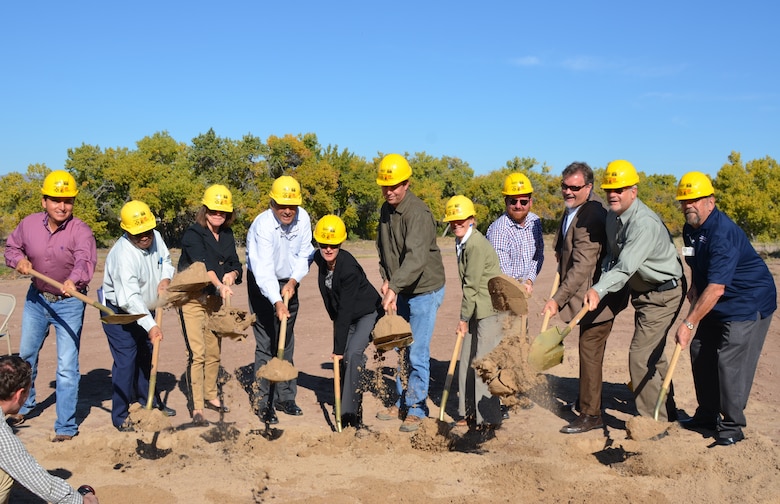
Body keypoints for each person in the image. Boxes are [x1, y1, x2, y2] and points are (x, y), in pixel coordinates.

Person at [674, 172, 776, 446]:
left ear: (710, 201)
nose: (688, 206)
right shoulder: (690, 229)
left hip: (747, 300)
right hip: (715, 298)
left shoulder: (723, 233)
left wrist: (689, 323)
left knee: (728, 360)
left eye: (694, 200)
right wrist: (695, 285)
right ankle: (707, 415)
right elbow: (695, 261)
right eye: (684, 201)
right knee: (699, 349)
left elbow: (718, 287)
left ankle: (732, 426)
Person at [584, 160, 685, 422]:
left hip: (664, 293)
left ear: (634, 191)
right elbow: (612, 259)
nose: (613, 194)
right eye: (610, 190)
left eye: (620, 189)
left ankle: (653, 423)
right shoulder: (612, 217)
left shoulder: (644, 224)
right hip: (643, 294)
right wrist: (603, 277)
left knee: (640, 357)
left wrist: (598, 289)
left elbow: (626, 267)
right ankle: (667, 412)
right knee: (655, 353)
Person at [3, 170, 97, 442]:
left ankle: (65, 426)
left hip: (69, 303)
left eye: (67, 200)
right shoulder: (29, 224)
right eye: (56, 200)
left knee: (67, 365)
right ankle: (24, 406)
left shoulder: (81, 231)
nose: (62, 206)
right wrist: (17, 261)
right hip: (37, 299)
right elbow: (11, 248)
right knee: (26, 358)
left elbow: (85, 261)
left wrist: (73, 280)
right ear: (44, 201)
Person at [542, 162, 627, 434]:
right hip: (586, 294)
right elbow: (565, 244)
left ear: (588, 188)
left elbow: (583, 266)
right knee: (587, 349)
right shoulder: (574, 208)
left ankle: (592, 415)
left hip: (598, 298)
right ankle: (584, 401)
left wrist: (557, 298)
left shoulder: (591, 214)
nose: (568, 191)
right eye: (564, 186)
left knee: (589, 351)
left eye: (575, 187)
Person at [375, 153, 446, 433]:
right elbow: (383, 248)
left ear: (406, 183)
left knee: (417, 351)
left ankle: (417, 407)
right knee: (402, 347)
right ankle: (403, 401)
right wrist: (386, 278)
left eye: (395, 186)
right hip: (402, 286)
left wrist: (394, 286)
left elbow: (416, 258)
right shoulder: (385, 209)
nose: (389, 191)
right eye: (385, 186)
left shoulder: (418, 213)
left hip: (424, 290)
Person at [101, 200, 177, 431]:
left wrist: (165, 279)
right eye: (138, 234)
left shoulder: (155, 236)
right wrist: (151, 325)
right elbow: (128, 299)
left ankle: (149, 402)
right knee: (126, 362)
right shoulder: (122, 256)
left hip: (147, 306)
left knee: (146, 356)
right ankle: (121, 415)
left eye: (147, 232)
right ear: (126, 231)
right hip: (120, 313)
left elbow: (166, 260)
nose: (145, 237)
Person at [246, 175, 314, 424]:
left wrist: (294, 281)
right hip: (263, 285)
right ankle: (263, 402)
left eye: (292, 206)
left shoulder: (303, 218)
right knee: (266, 342)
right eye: (282, 205)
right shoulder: (262, 226)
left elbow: (306, 252)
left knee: (286, 341)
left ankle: (286, 397)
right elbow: (262, 270)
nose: (287, 211)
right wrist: (276, 301)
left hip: (290, 282)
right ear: (272, 203)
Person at [178, 185, 243, 426]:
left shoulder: (227, 235)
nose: (219, 215)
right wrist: (219, 283)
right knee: (197, 354)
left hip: (214, 301)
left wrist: (233, 275)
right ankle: (196, 406)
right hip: (192, 299)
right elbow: (203, 265)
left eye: (223, 212)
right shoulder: (192, 234)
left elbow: (236, 262)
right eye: (214, 210)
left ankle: (210, 395)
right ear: (205, 210)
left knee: (214, 351)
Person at [311, 215, 381, 429]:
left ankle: (351, 414)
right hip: (346, 316)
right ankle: (347, 404)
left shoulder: (348, 269)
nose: (328, 249)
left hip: (367, 313)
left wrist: (337, 348)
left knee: (352, 354)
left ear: (340, 243)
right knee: (343, 362)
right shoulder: (318, 258)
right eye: (324, 244)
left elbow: (345, 310)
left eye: (333, 245)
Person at [0, 355, 99, 503]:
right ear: (20, 394)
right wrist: (80, 501)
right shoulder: (3, 438)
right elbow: (38, 480)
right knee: (7, 474)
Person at [443, 196, 503, 430]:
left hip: (488, 309)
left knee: (484, 363)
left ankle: (487, 418)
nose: (456, 223)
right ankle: (467, 413)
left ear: (471, 220)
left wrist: (462, 319)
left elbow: (471, 284)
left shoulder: (476, 244)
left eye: (461, 219)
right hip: (475, 307)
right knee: (467, 358)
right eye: (453, 220)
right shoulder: (461, 242)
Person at [486, 172, 544, 295]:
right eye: (513, 201)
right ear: (506, 202)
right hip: (501, 293)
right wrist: (520, 287)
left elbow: (537, 256)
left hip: (522, 290)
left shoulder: (535, 222)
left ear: (530, 202)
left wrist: (529, 281)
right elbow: (502, 272)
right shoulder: (499, 229)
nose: (518, 206)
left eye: (523, 202)